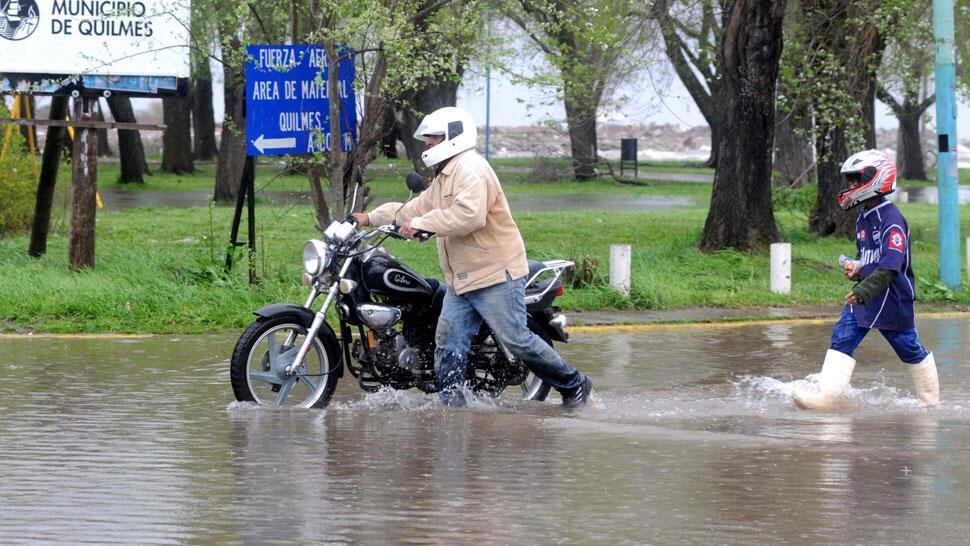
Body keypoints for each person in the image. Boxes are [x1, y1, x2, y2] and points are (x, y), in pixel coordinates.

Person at [353, 106, 592, 407]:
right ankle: (453, 408)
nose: (427, 144)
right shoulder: (445, 176)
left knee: (517, 339)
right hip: (462, 279)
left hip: (494, 273)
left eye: (434, 138)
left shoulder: (471, 169)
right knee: (448, 342)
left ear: (453, 136)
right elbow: (415, 209)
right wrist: (369, 217)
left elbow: (469, 216)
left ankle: (575, 383)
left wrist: (421, 225)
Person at [794, 149, 939, 410]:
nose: (851, 186)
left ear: (876, 179)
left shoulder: (891, 218)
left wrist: (863, 290)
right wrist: (858, 270)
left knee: (907, 346)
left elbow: (891, 265)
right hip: (869, 293)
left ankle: (929, 401)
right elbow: (871, 260)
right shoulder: (863, 216)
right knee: (843, 334)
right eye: (850, 181)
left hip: (891, 297)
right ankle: (827, 396)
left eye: (855, 180)